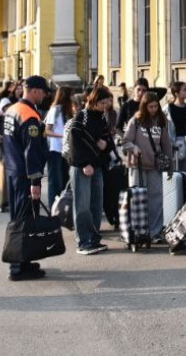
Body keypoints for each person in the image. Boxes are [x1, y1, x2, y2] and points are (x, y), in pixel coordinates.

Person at [3, 75, 51, 281]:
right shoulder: (29, 115)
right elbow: (31, 152)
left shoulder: (12, 110)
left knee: (18, 219)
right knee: (24, 221)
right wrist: (35, 182)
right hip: (24, 176)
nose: (45, 96)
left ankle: (24, 260)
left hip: (13, 172)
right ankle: (17, 267)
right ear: (34, 91)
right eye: (43, 92)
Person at [66, 85, 115, 255]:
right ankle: (83, 241)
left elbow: (109, 141)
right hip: (82, 168)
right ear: (93, 101)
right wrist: (84, 163)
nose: (104, 106)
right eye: (101, 103)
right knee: (82, 205)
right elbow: (74, 142)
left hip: (97, 166)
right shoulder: (82, 116)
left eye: (106, 103)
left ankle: (94, 239)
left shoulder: (101, 117)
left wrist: (106, 144)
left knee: (96, 205)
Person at [121, 92, 175, 243]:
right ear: (144, 106)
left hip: (155, 167)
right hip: (137, 166)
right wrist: (134, 148)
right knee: (137, 200)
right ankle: (136, 232)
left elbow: (166, 145)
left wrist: (170, 167)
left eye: (156, 106)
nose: (153, 109)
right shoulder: (136, 120)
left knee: (156, 200)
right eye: (150, 106)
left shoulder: (161, 120)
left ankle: (154, 232)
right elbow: (125, 141)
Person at [44, 86, 76, 207]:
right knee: (55, 181)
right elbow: (47, 130)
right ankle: (53, 206)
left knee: (64, 178)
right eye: (72, 95)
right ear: (66, 96)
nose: (73, 98)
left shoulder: (67, 110)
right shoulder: (55, 110)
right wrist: (63, 135)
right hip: (54, 149)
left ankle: (62, 205)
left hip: (65, 149)